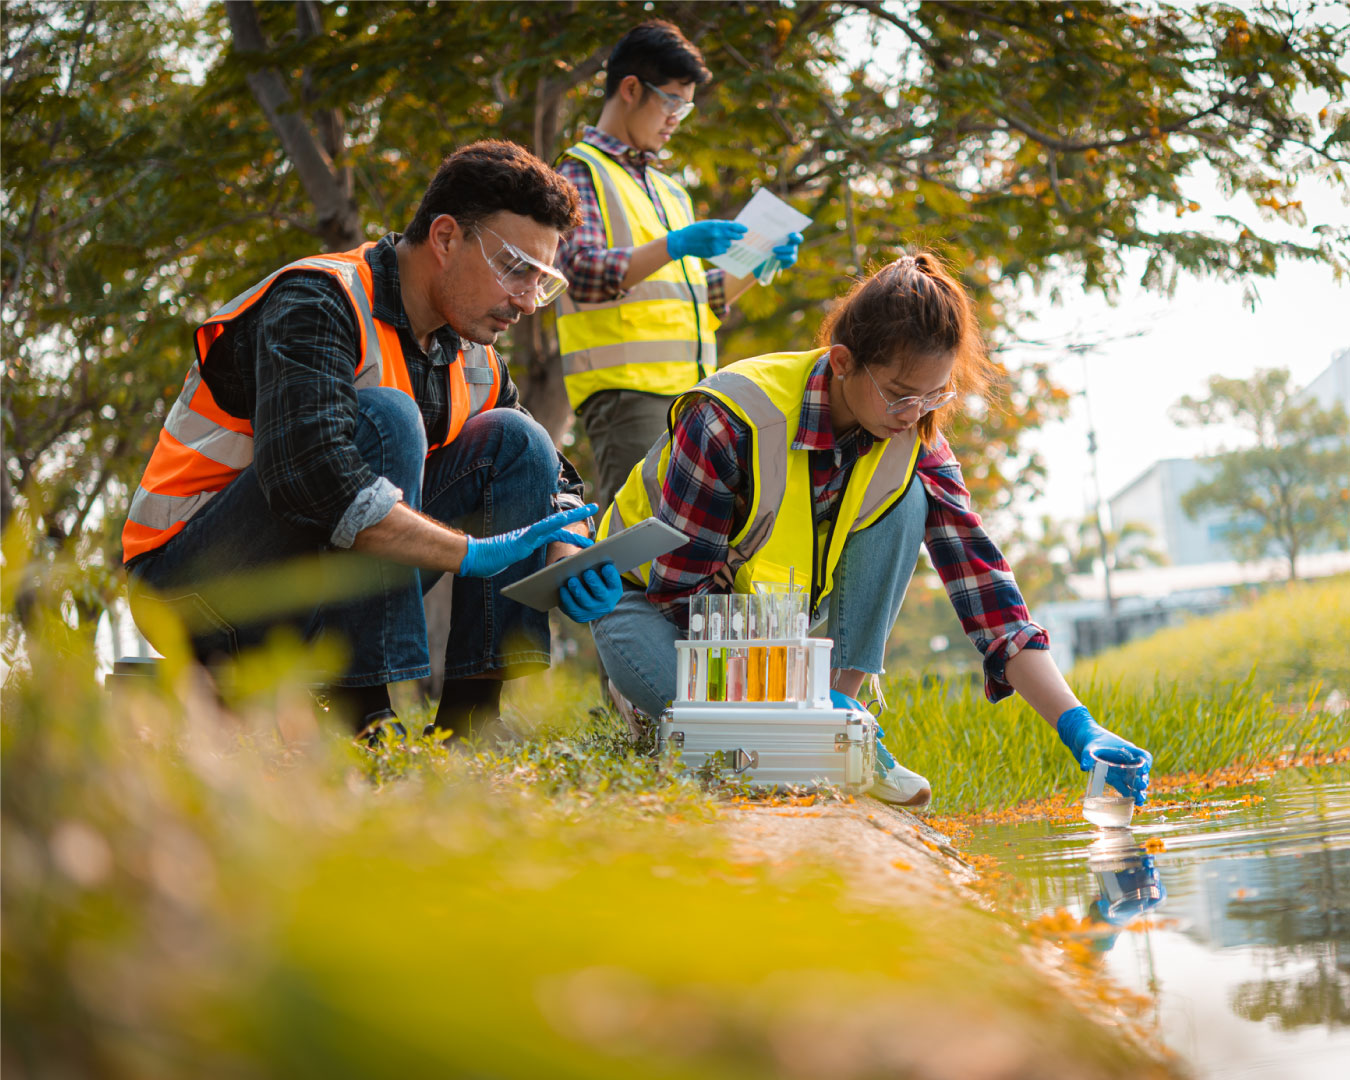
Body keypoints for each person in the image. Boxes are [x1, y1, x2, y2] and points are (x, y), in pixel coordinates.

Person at [588, 252, 1154, 808]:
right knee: (760, 763)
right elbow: (680, 595)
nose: (913, 413)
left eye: (934, 395)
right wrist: (801, 700)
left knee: (910, 500)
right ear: (841, 361)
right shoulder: (731, 417)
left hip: (770, 632)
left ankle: (837, 722)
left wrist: (1079, 725)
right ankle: (769, 728)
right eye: (899, 393)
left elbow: (986, 592)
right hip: (648, 608)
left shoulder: (916, 441)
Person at [122, 140, 623, 741]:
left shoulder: (473, 354)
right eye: (515, 269)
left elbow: (556, 479)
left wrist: (568, 557)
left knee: (518, 439)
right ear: (444, 238)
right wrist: (466, 552)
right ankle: (366, 721)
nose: (524, 301)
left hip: (313, 594)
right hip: (195, 593)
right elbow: (309, 477)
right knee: (388, 417)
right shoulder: (316, 301)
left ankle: (473, 727)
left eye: (540, 282)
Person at [553, 19, 804, 512]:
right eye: (671, 101)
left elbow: (701, 299)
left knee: (695, 536)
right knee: (634, 540)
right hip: (627, 397)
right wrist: (676, 243)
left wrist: (758, 262)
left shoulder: (670, 190)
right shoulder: (579, 170)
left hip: (693, 396)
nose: (676, 118)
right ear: (630, 89)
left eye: (683, 107)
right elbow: (580, 273)